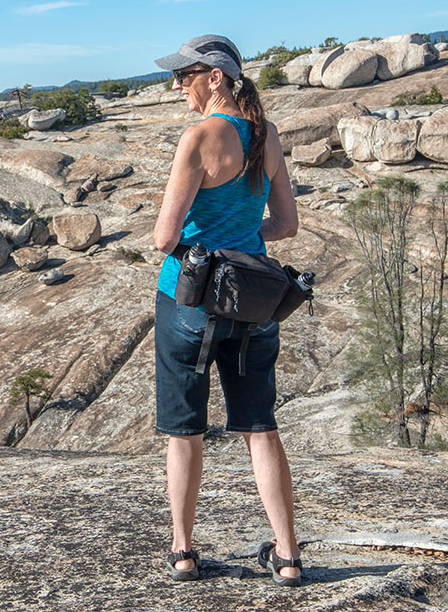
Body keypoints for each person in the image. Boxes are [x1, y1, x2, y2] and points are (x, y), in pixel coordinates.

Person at [150, 34, 303, 586]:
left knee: (184, 428)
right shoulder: (267, 136)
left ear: (215, 77)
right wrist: (241, 244)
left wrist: (208, 249)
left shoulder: (198, 137)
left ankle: (184, 552)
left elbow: (165, 237)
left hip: (188, 300)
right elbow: (285, 224)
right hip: (252, 299)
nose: (175, 85)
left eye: (183, 74)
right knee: (259, 425)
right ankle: (286, 556)